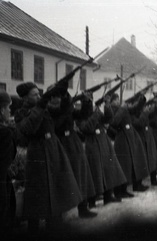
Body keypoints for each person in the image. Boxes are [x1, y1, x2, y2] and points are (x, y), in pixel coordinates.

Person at [15, 82, 82, 232]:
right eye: (35, 94)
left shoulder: (45, 108)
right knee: (37, 191)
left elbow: (63, 110)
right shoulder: (21, 112)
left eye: (39, 94)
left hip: (53, 148)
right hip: (38, 152)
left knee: (57, 187)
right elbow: (27, 129)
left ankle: (55, 224)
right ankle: (34, 227)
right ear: (25, 97)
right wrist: (40, 105)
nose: (39, 96)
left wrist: (64, 94)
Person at [0, 90, 17, 231]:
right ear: (1, 110)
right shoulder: (5, 133)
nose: (9, 110)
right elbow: (5, 162)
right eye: (8, 107)